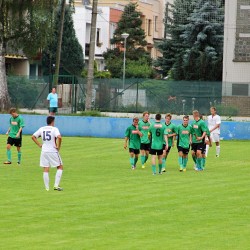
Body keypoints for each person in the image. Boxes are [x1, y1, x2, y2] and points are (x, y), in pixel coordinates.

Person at [31, 116, 63, 191]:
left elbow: (33, 137)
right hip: (52, 150)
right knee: (60, 167)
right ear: (52, 121)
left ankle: (47, 188)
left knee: (45, 168)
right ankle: (56, 185)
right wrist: (58, 146)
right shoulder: (54, 129)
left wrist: (39, 145)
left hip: (44, 151)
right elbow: (60, 137)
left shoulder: (42, 128)